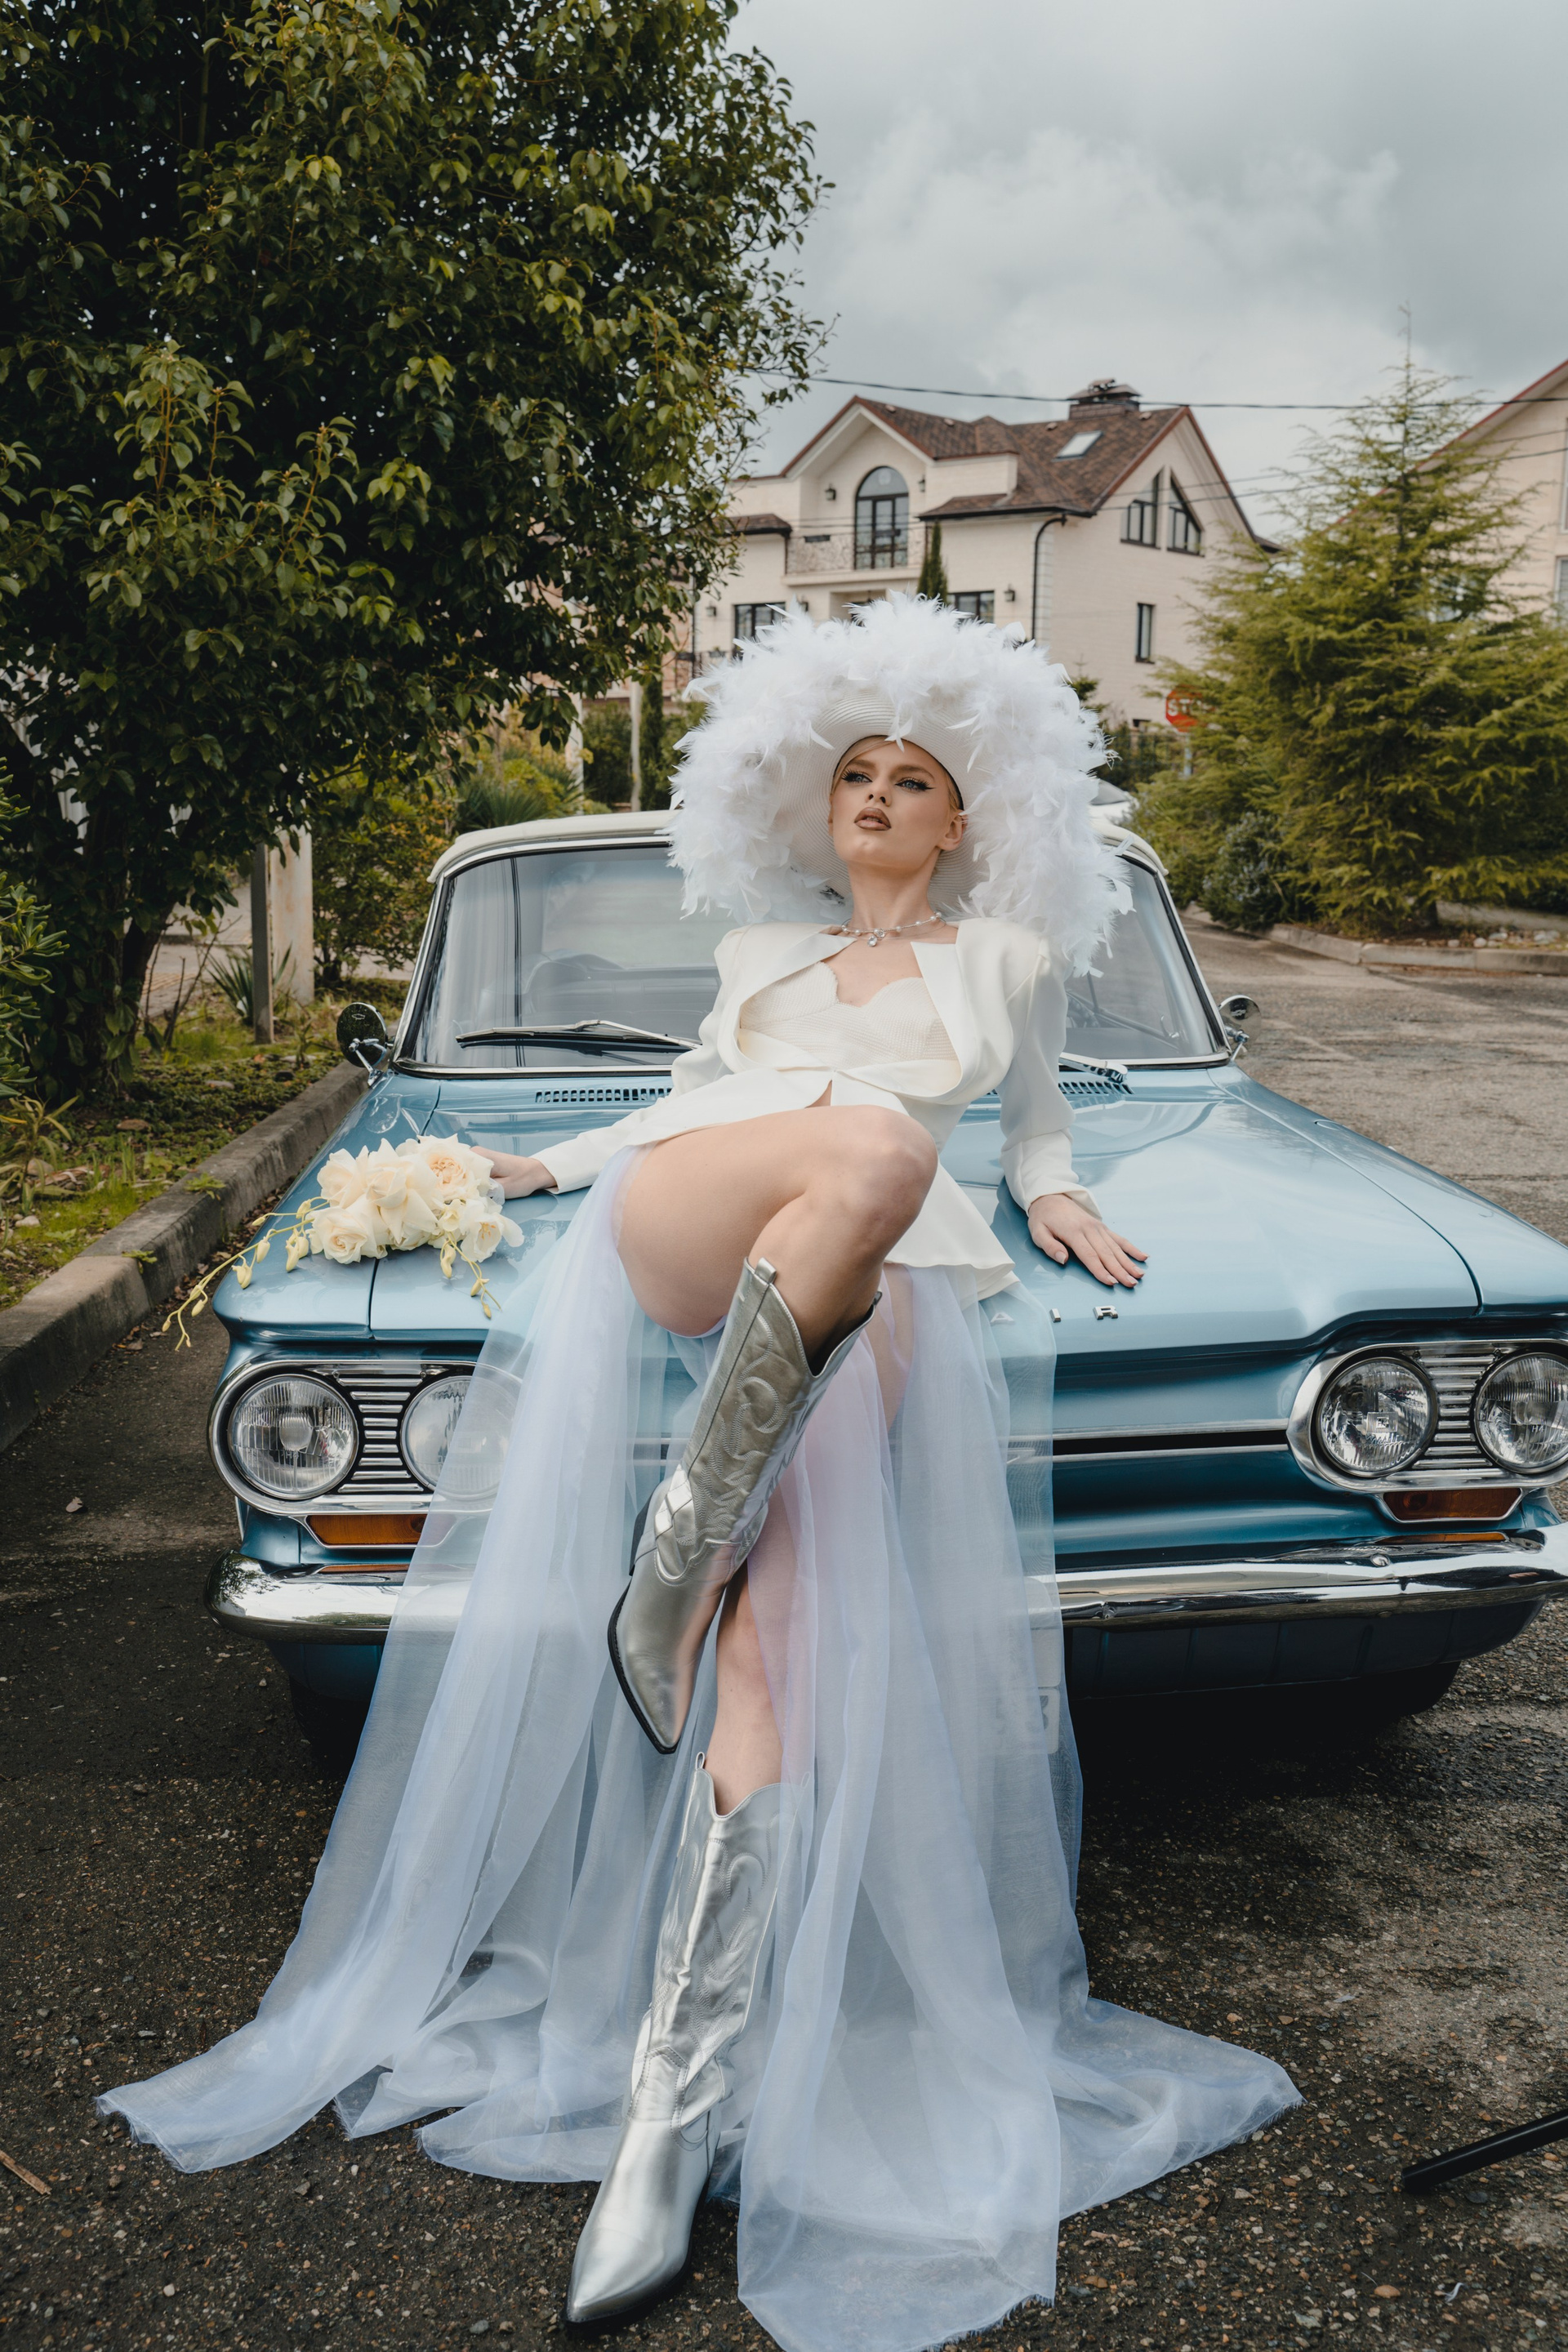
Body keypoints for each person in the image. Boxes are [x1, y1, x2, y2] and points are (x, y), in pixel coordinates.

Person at [101, 599, 1296, 2352]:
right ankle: (673, 1561)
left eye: (916, 779)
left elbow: (1036, 1125)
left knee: (775, 1642)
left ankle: (670, 2105)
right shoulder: (759, 955)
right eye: (858, 771)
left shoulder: (1008, 963)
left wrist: (1052, 1194)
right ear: (821, 803)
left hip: (869, 1280)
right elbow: (685, 1104)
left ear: (968, 819)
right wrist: (535, 1170)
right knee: (869, 1144)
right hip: (688, 1219)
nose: (879, 794)